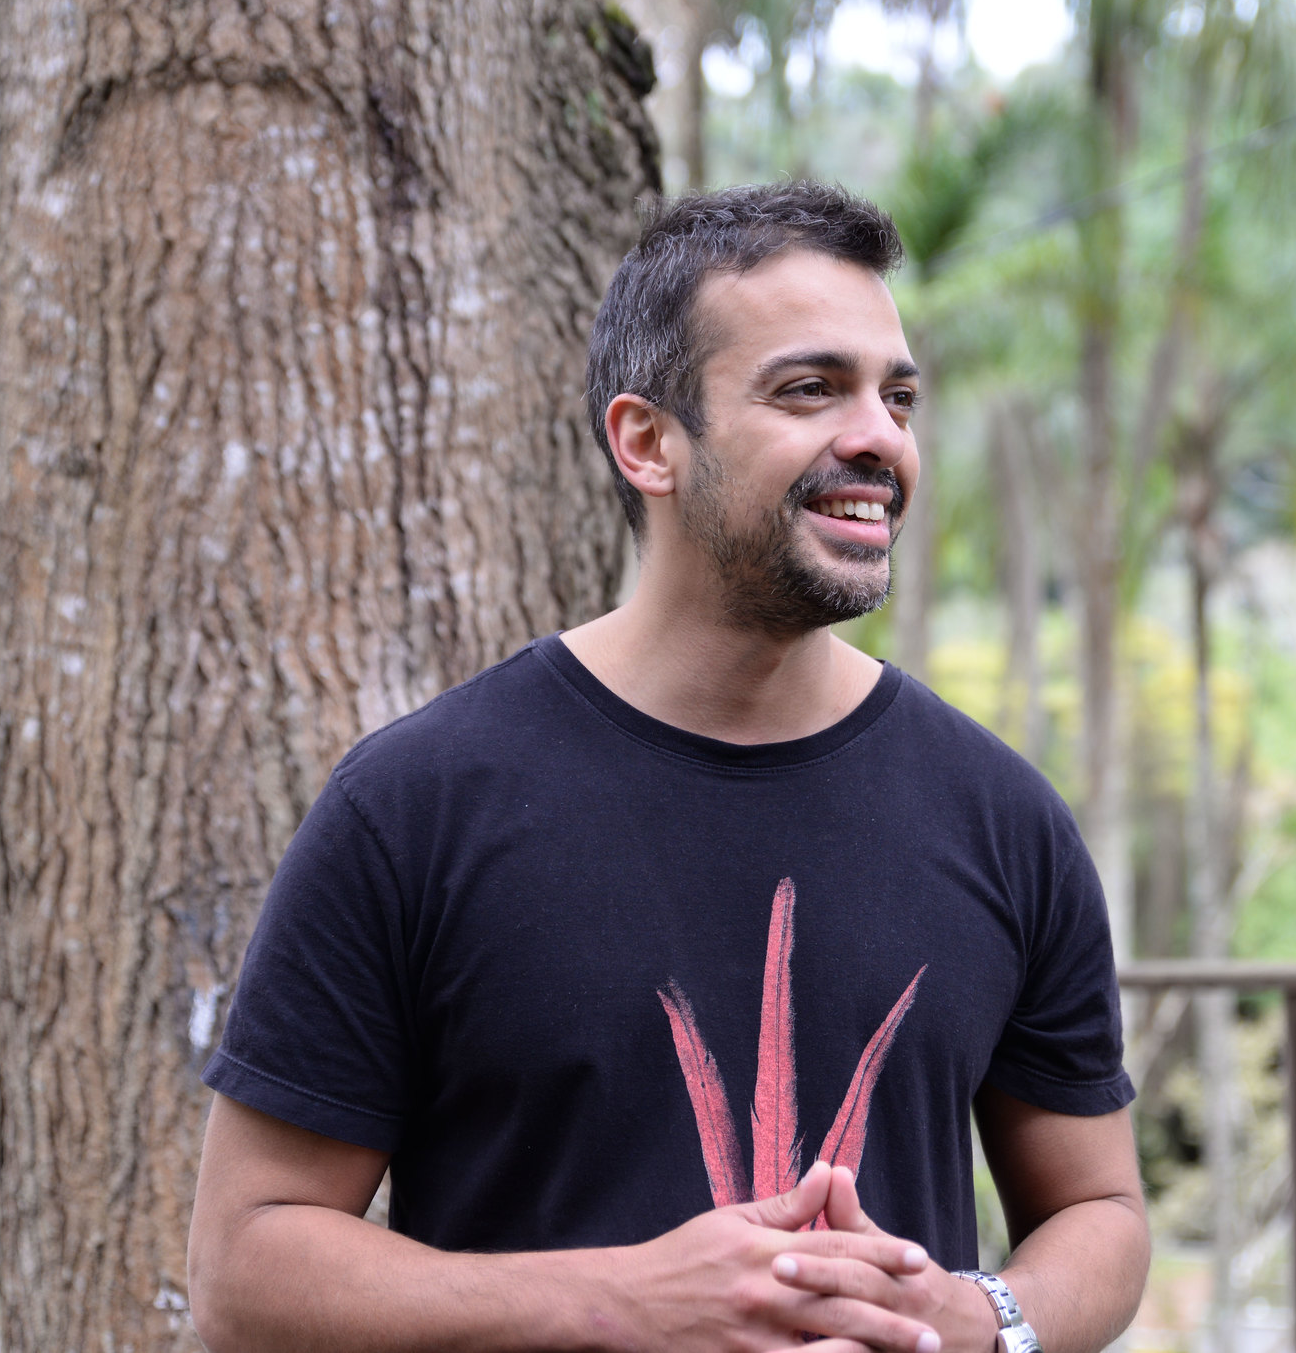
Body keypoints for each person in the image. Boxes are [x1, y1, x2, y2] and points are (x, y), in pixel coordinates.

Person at [186, 181, 1149, 1353]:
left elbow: (1099, 1209)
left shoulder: (1000, 815)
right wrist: (623, 1300)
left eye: (895, 396)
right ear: (648, 441)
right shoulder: (415, 806)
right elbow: (246, 1266)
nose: (878, 437)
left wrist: (979, 1315)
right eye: (809, 388)